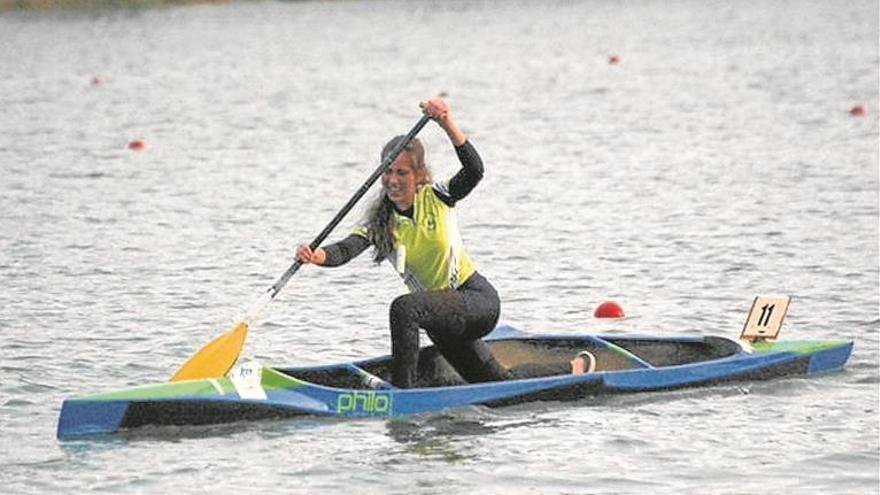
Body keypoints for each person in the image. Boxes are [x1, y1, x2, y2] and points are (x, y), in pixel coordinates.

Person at [295, 97, 509, 389]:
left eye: (402, 172)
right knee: (495, 383)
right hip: (440, 319)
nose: (392, 180)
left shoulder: (437, 196)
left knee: (404, 309)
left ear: (419, 175)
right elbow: (344, 250)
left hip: (476, 302)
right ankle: (575, 367)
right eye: (387, 171)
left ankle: (402, 394)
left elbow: (474, 171)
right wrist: (315, 255)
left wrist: (447, 123)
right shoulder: (381, 222)